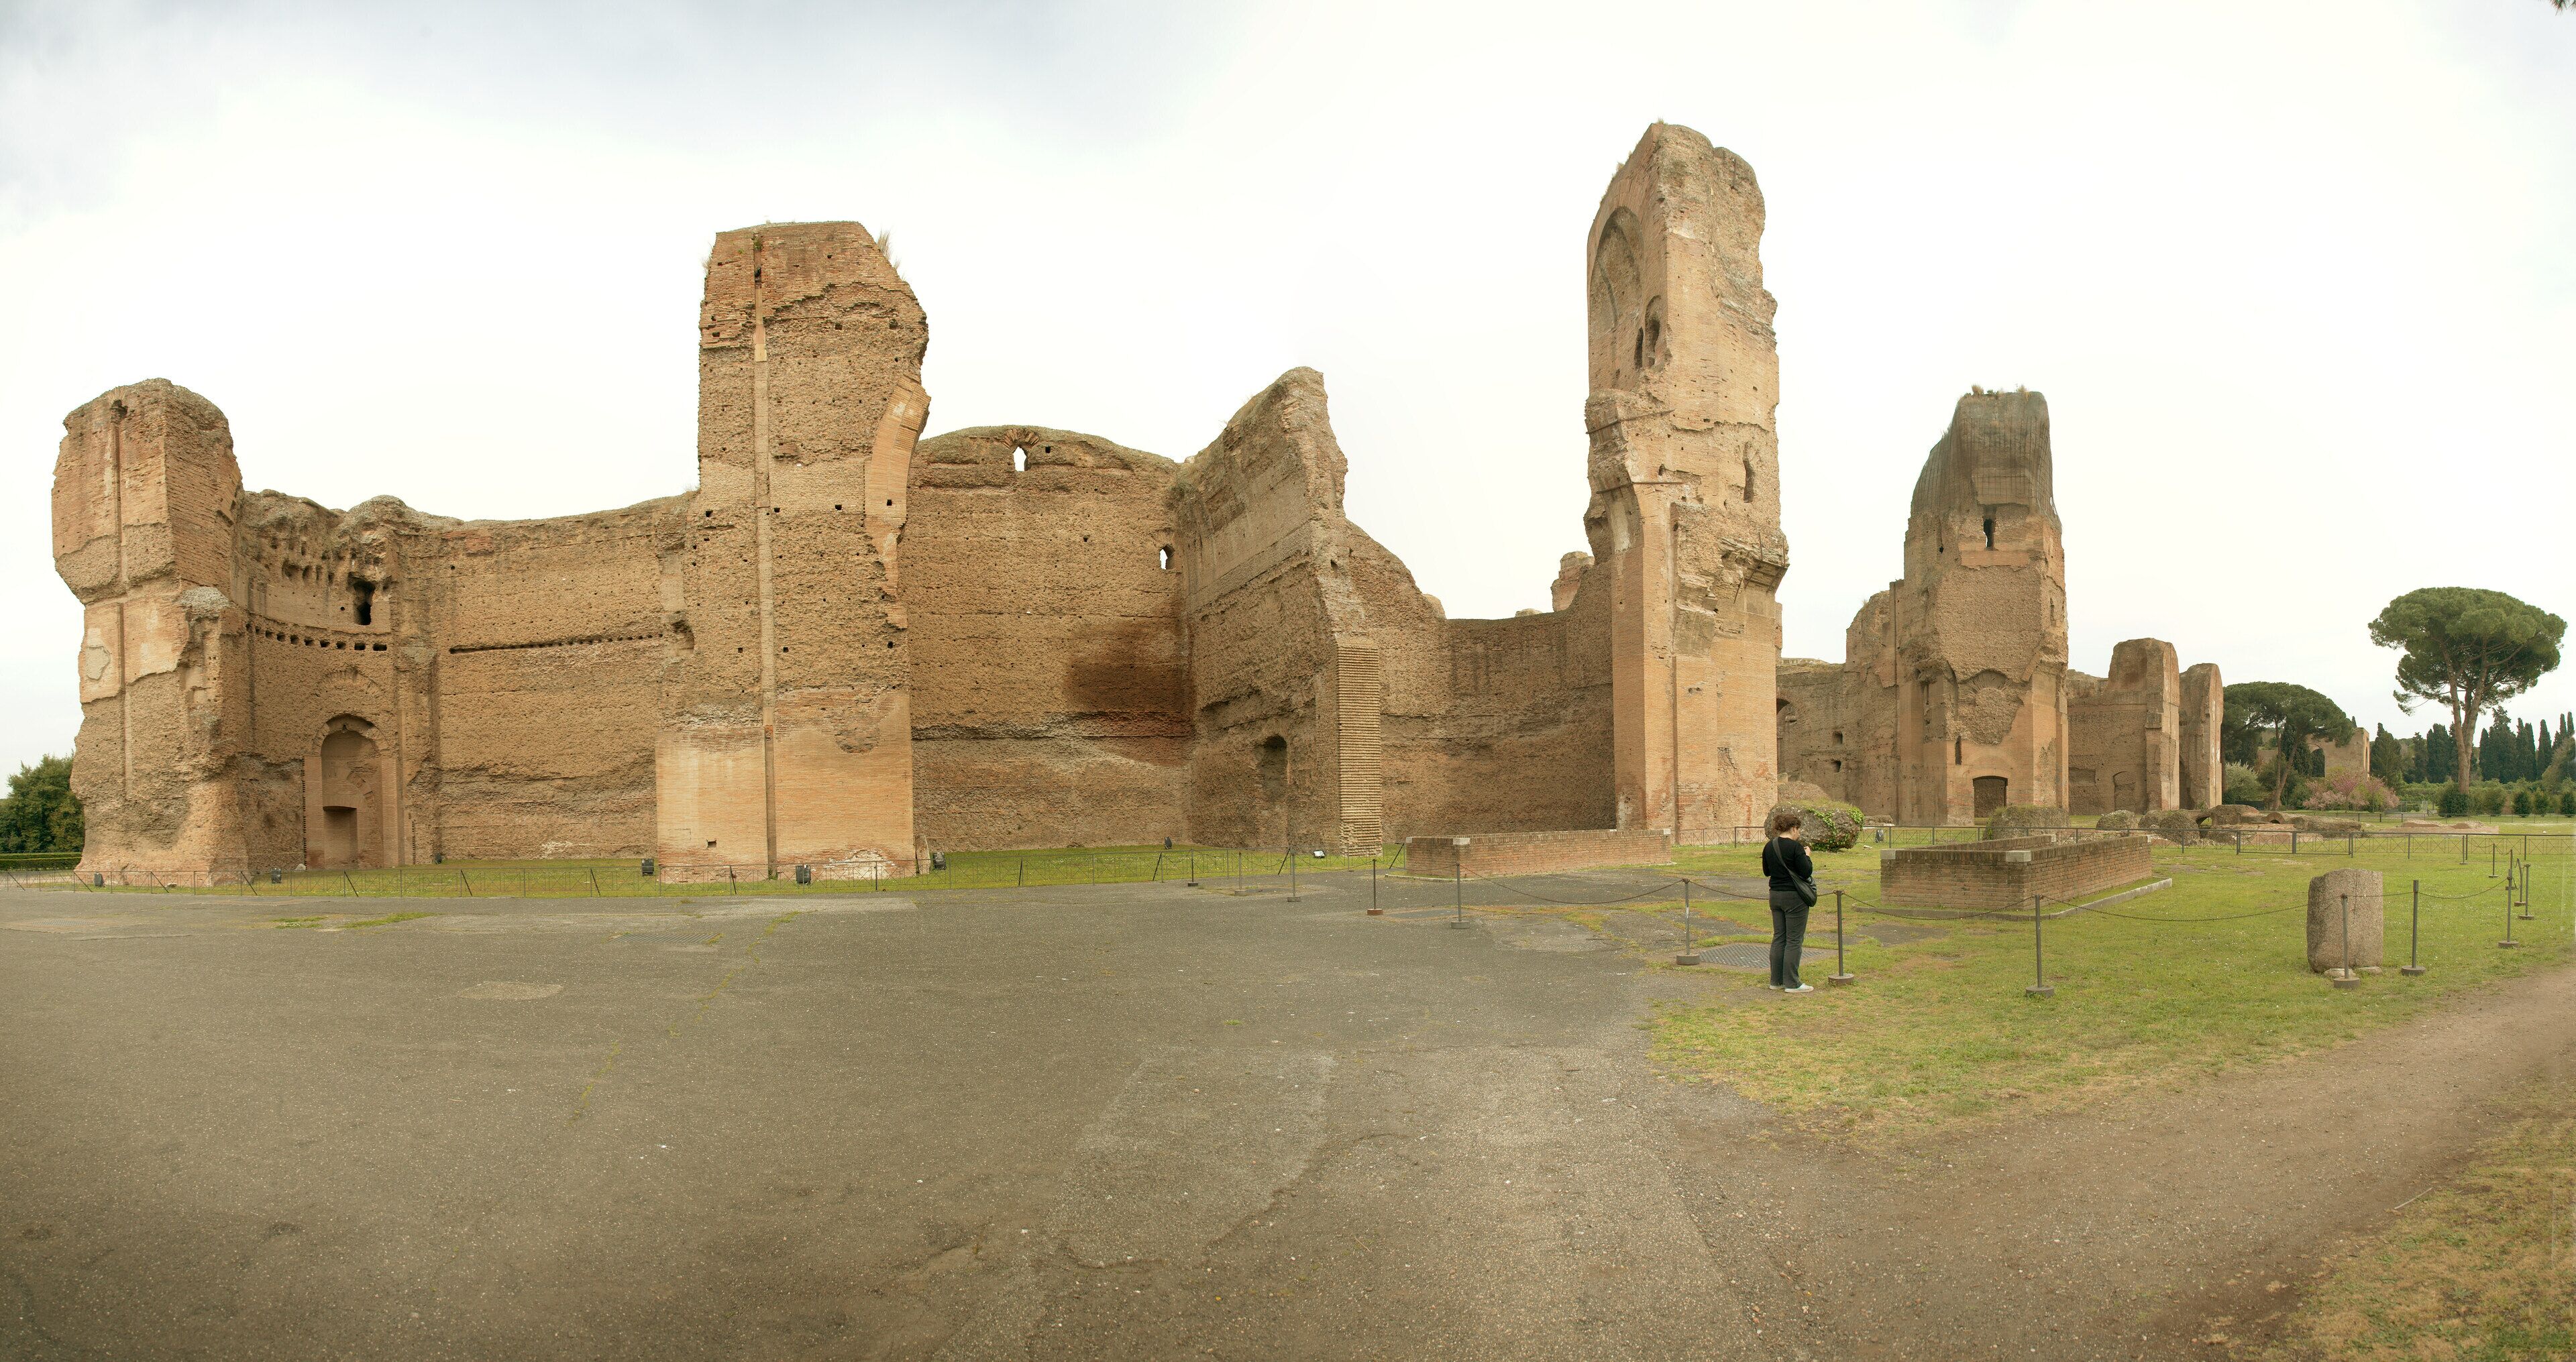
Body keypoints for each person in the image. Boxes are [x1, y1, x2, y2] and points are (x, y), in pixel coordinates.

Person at [1761, 811, 1817, 993]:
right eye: (1798, 829)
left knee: (1779, 938)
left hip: (1775, 894)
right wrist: (1807, 856)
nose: (1799, 833)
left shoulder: (1769, 846)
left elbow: (1767, 871)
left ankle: (1776, 981)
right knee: (1794, 940)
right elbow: (1805, 872)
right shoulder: (1795, 848)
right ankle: (1792, 983)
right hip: (1794, 897)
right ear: (1793, 828)